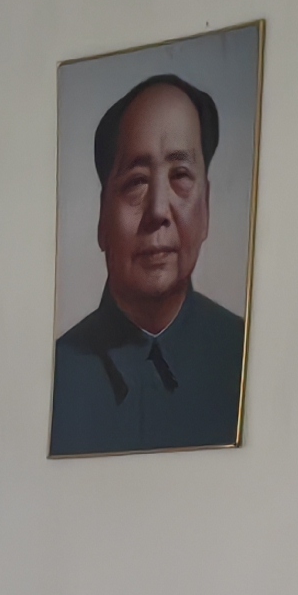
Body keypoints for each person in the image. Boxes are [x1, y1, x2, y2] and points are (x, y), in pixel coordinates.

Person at [52, 72, 247, 456]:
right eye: (137, 182)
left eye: (180, 176)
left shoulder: (243, 356)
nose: (158, 210)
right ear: (102, 218)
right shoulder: (57, 374)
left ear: (206, 207)